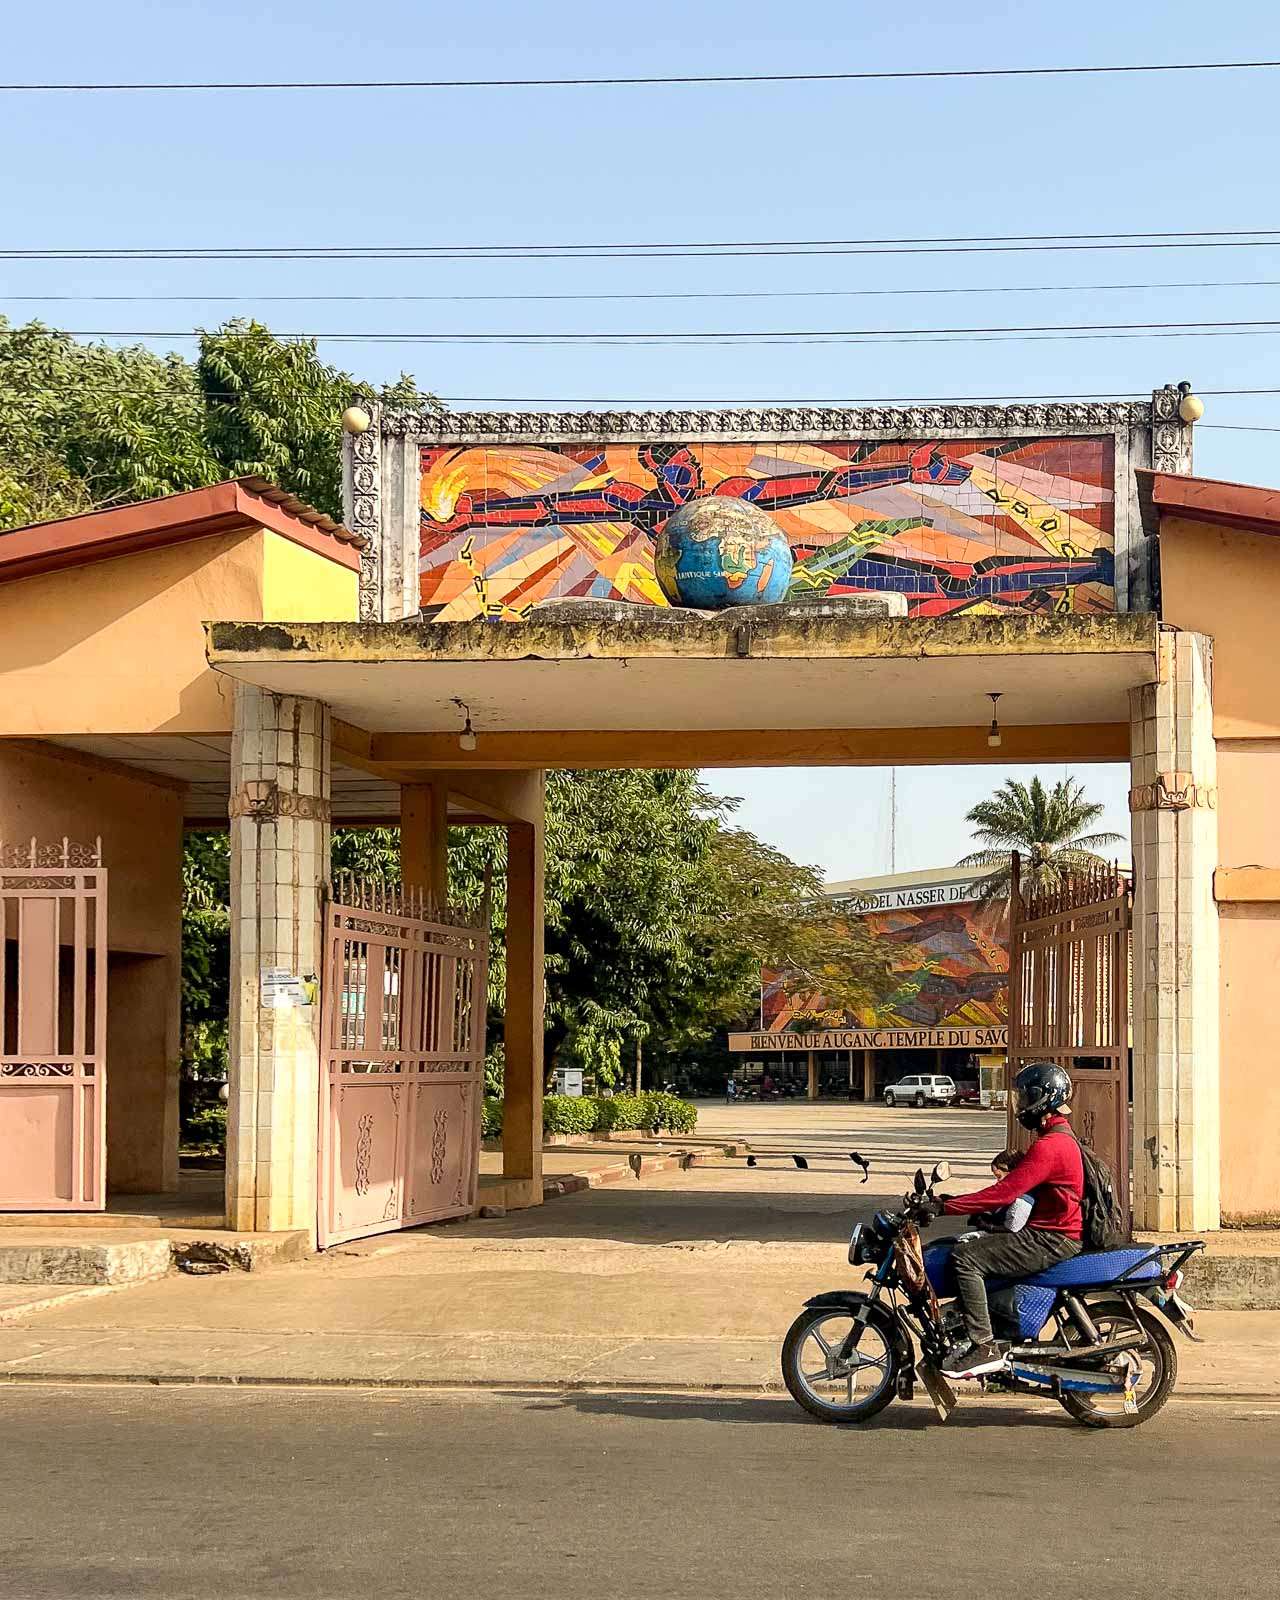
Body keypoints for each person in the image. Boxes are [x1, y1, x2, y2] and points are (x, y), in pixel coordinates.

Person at [936, 1063, 1084, 1380]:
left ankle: (983, 1345)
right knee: (978, 1246)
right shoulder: (1058, 1137)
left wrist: (944, 1207)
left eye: (1025, 1097)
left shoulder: (1050, 1146)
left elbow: (1004, 1192)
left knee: (965, 1258)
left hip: (1050, 1238)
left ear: (1043, 1099)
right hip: (1050, 1234)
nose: (1021, 1105)